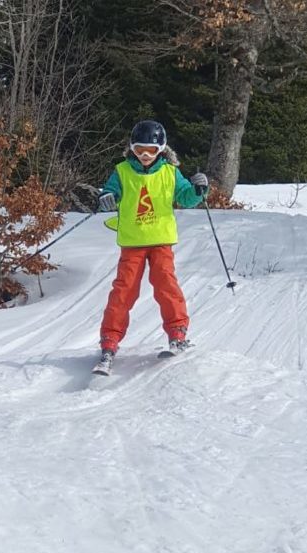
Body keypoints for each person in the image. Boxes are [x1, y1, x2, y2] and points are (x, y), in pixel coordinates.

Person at [96, 119, 209, 370]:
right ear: (131, 148)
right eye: (139, 150)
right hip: (133, 243)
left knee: (166, 285)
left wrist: (199, 190)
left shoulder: (170, 173)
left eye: (151, 150)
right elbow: (110, 191)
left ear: (162, 149)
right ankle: (110, 340)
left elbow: (186, 197)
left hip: (160, 241)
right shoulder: (122, 171)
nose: (145, 155)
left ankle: (177, 333)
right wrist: (106, 197)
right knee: (123, 291)